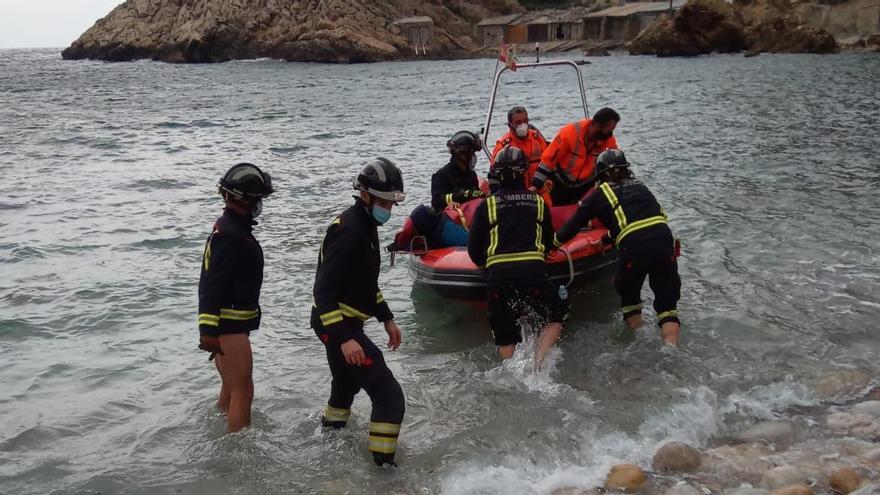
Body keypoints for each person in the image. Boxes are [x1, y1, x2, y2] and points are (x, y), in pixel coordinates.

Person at [311, 158, 407, 467]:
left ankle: (329, 444)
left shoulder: (366, 226)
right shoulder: (350, 231)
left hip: (345, 323)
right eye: (384, 203)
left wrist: (387, 317)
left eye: (392, 204)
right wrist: (343, 339)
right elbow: (323, 292)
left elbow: (366, 284)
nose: (388, 211)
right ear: (364, 195)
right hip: (339, 325)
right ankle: (384, 470)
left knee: (346, 385)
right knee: (389, 397)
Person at [554, 149, 681, 345]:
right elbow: (639, 221)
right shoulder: (641, 187)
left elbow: (572, 226)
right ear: (626, 170)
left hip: (635, 248)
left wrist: (550, 245)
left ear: (600, 175)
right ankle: (670, 349)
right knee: (667, 308)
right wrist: (606, 240)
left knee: (630, 302)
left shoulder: (599, 194)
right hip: (664, 241)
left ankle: (639, 341)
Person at [467, 146, 568, 369]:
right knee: (555, 317)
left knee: (505, 334)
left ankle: (510, 372)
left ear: (497, 174)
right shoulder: (539, 202)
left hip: (499, 277)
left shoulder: (488, 205)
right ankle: (538, 363)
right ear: (524, 172)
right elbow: (548, 243)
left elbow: (473, 250)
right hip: (533, 273)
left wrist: (488, 270)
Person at [197, 162, 274, 432]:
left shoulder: (231, 229)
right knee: (244, 389)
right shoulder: (230, 235)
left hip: (229, 327)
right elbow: (210, 282)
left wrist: (210, 328)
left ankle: (222, 439)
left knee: (232, 387)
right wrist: (207, 329)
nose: (260, 205)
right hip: (229, 328)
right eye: (258, 199)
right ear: (247, 200)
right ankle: (239, 452)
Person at [531, 107, 621, 206]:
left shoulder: (609, 141)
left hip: (585, 185)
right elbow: (549, 158)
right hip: (561, 182)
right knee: (556, 210)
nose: (610, 134)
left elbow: (615, 164)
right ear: (596, 125)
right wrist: (536, 185)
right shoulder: (570, 132)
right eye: (608, 130)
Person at [490, 106, 549, 200]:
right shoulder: (503, 146)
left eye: (525, 121)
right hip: (517, 197)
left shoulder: (536, 138)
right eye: (518, 122)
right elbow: (494, 174)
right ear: (510, 125)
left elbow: (548, 161)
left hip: (541, 192)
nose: (523, 124)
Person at [431, 130, 486, 212]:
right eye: (471, 154)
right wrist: (463, 195)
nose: (473, 157)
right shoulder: (441, 175)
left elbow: (478, 196)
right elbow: (436, 202)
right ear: (462, 155)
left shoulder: (471, 175)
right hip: (449, 219)